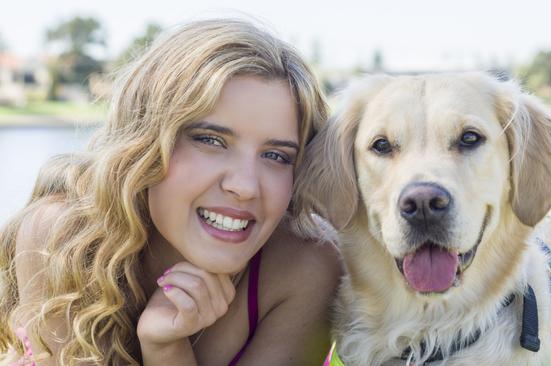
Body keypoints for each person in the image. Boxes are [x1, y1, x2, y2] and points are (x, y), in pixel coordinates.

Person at [0, 19, 340, 365]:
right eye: (210, 140)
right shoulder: (64, 240)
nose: (245, 186)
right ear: (143, 145)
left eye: (276, 155)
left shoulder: (307, 268)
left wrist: (166, 350)